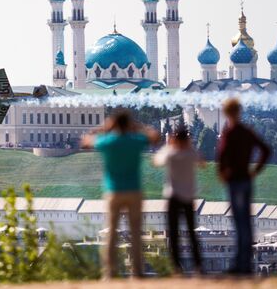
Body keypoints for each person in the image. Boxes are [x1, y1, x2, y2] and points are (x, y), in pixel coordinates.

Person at [81, 110, 159, 279]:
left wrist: (103, 128)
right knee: (136, 232)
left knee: (111, 233)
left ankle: (109, 273)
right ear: (128, 124)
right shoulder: (135, 141)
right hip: (134, 190)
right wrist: (137, 127)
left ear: (114, 124)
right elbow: (154, 136)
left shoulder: (108, 141)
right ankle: (137, 272)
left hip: (113, 191)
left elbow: (85, 141)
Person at [217, 98, 270, 275]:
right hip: (246, 179)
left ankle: (241, 265)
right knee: (245, 221)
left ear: (226, 113)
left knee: (239, 222)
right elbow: (266, 150)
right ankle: (244, 263)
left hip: (235, 180)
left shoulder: (230, 132)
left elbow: (222, 155)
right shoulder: (247, 131)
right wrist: (255, 170)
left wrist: (222, 171)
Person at [153, 127, 204, 274]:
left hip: (173, 196)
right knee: (191, 233)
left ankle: (176, 267)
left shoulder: (171, 153)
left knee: (174, 233)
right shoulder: (191, 154)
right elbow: (202, 163)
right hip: (188, 197)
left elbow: (156, 161)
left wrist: (168, 145)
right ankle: (198, 266)